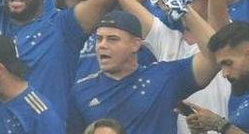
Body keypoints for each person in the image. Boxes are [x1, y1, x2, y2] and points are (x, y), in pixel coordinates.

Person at [68, 10, 220, 134]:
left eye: (112, 39)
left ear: (135, 45)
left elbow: (214, 57)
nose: (102, 45)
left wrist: (185, 11)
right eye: (99, 39)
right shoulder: (81, 90)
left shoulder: (165, 77)